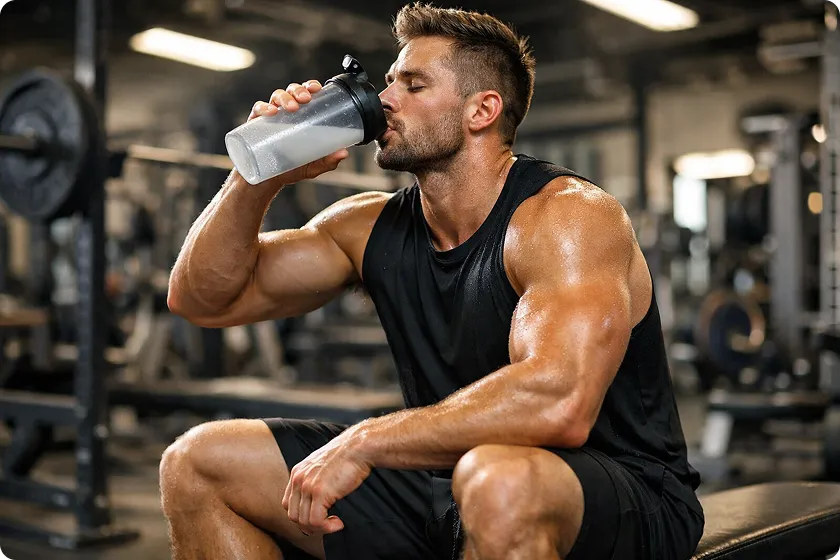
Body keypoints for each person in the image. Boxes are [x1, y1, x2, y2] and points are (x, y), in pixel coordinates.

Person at [161, 3, 704, 560]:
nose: (385, 100)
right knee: (200, 462)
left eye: (413, 85)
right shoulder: (367, 225)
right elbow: (203, 299)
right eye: (390, 81)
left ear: (482, 111)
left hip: (625, 493)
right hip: (445, 480)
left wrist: (368, 439)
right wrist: (256, 174)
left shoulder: (565, 217)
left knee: (496, 481)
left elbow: (559, 403)